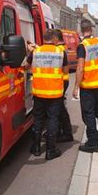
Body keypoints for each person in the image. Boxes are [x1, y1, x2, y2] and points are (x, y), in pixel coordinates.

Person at [26, 29, 68, 160]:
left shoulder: (36, 51)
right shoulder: (61, 52)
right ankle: (51, 150)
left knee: (38, 119)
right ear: (55, 39)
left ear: (44, 38)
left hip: (39, 92)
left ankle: (36, 147)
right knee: (52, 120)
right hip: (55, 93)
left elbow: (27, 67)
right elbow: (65, 70)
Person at [73, 20, 98, 153]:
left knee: (89, 114)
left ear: (81, 31)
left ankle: (93, 142)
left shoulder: (83, 46)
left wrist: (76, 86)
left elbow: (80, 68)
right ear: (92, 29)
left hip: (88, 86)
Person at [53, 29, 73, 142]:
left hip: (61, 80)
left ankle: (66, 133)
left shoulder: (59, 49)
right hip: (63, 80)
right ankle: (62, 131)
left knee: (60, 108)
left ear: (56, 38)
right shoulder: (62, 48)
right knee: (60, 107)